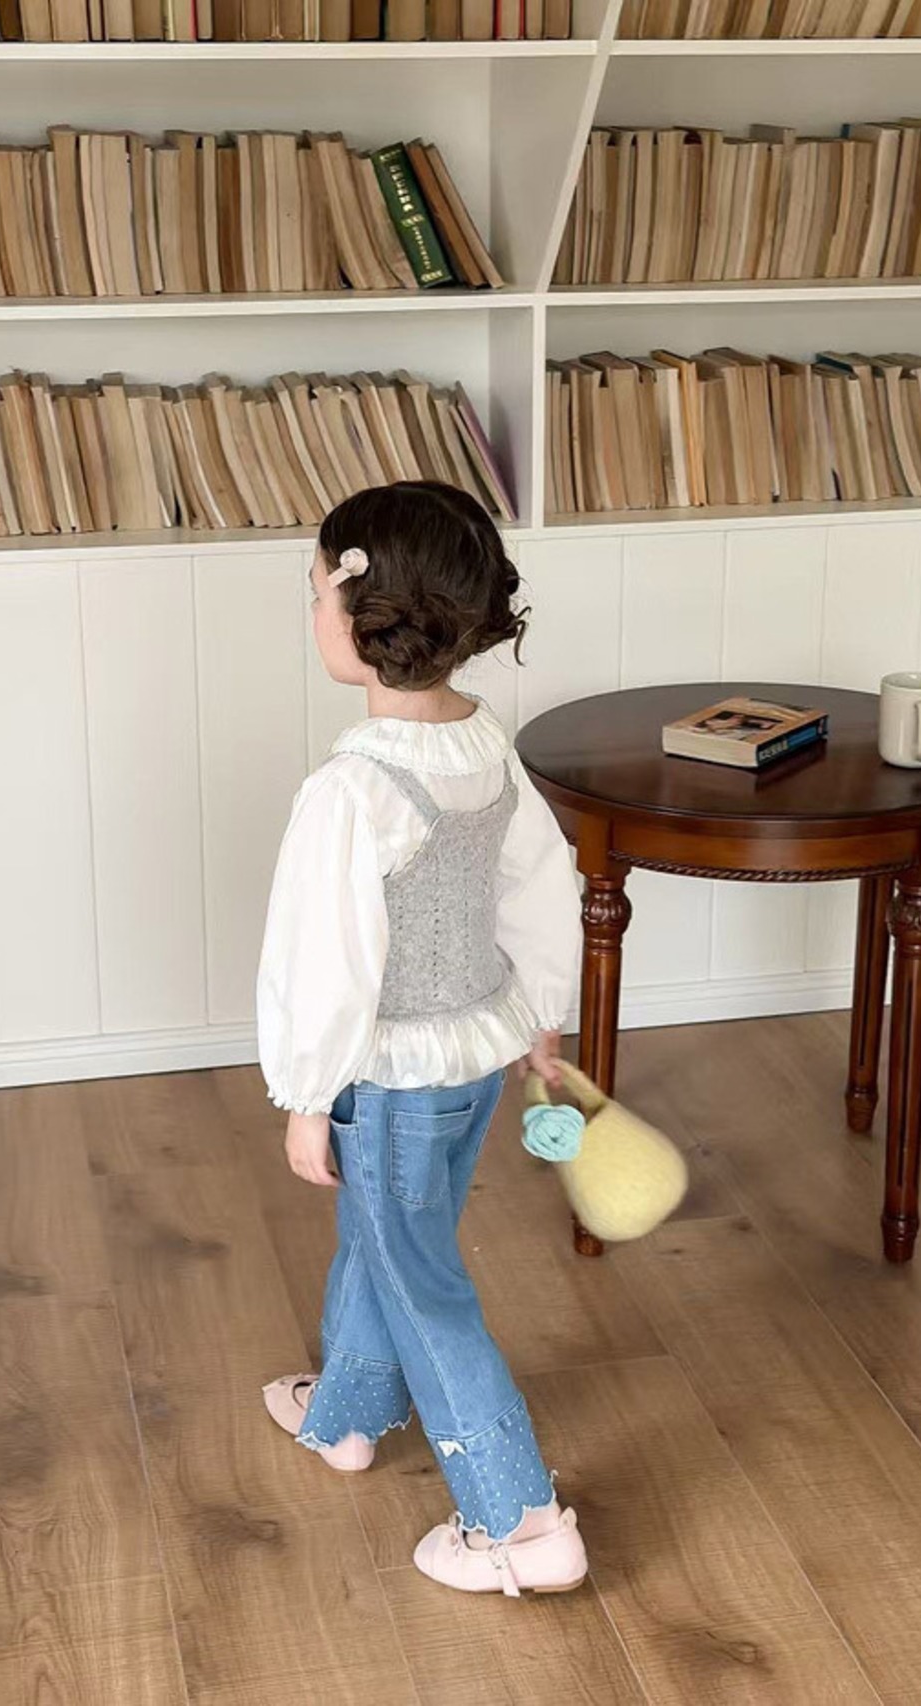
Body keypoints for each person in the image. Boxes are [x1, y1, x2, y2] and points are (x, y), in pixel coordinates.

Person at [256, 480, 588, 1598]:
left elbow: (324, 957)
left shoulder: (351, 788)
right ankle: (349, 1412)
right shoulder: (482, 743)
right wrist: (542, 1015)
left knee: (420, 1280)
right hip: (471, 1063)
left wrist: (308, 1094)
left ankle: (519, 1520)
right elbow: (538, 882)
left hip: (391, 1078)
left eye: (314, 591)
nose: (312, 611)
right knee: (395, 1237)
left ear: (361, 615)